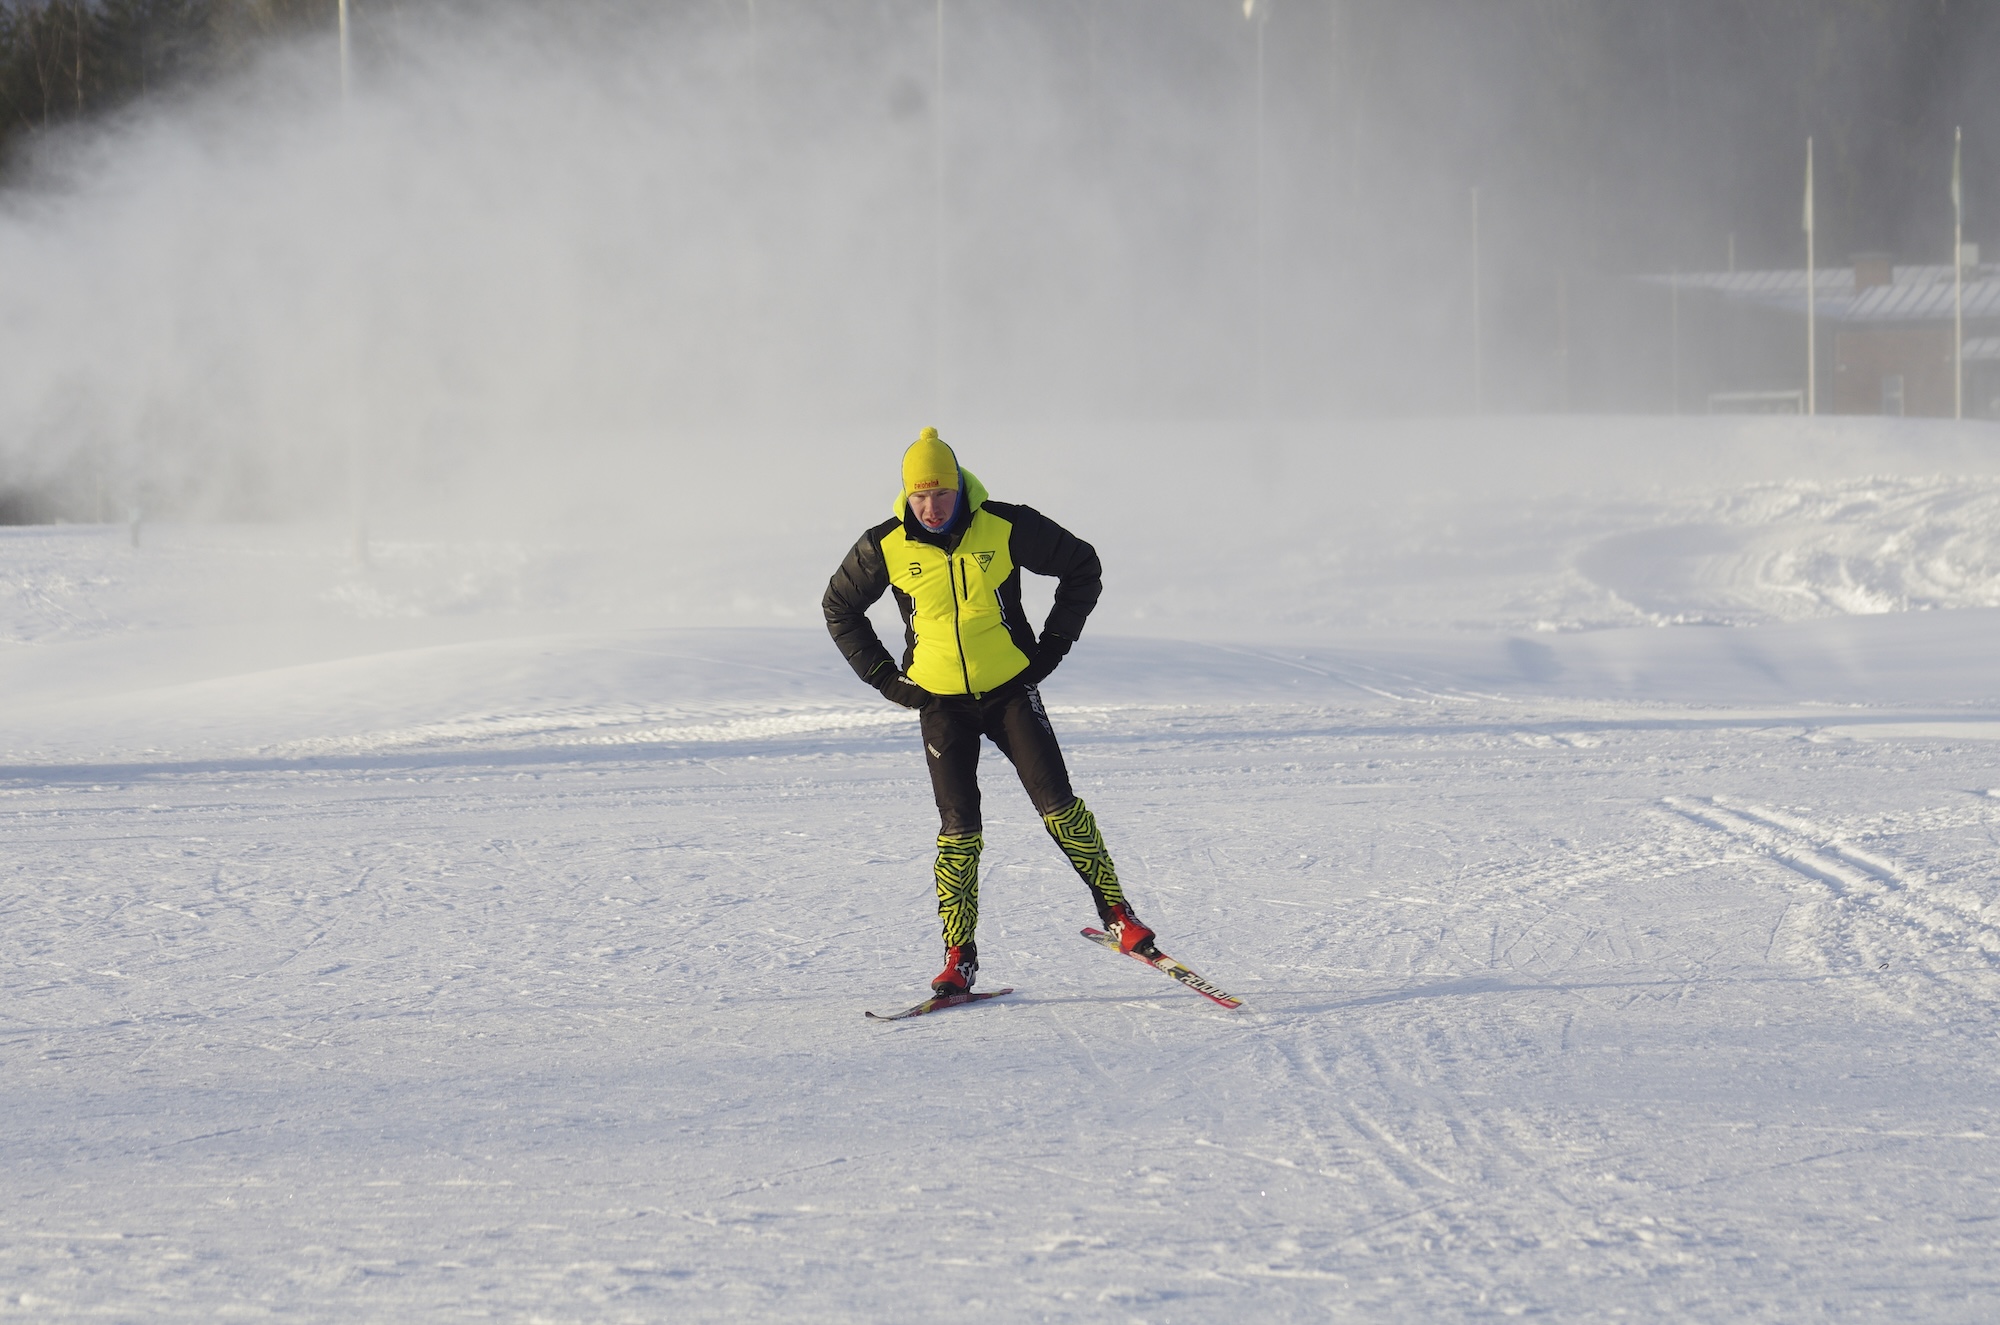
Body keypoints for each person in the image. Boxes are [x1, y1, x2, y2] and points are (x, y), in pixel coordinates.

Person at [823, 427, 1159, 996]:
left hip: (1009, 692)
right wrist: (887, 681)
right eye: (920, 496)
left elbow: (1083, 567)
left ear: (960, 489)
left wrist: (1053, 647)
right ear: (906, 496)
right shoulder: (885, 546)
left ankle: (1120, 917)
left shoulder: (1005, 525)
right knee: (960, 833)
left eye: (942, 494)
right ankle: (960, 958)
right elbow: (839, 607)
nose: (931, 507)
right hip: (940, 704)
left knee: (1061, 808)